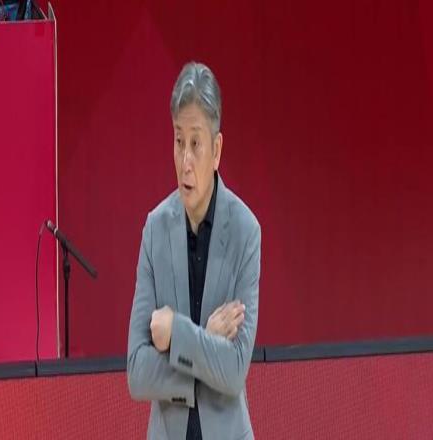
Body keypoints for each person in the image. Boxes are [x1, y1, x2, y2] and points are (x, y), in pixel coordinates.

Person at [127, 61, 261, 440]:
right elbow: (137, 373)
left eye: (196, 144)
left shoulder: (246, 232)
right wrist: (205, 337)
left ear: (216, 150)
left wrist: (176, 334)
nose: (185, 161)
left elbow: (233, 372)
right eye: (178, 141)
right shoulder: (155, 229)